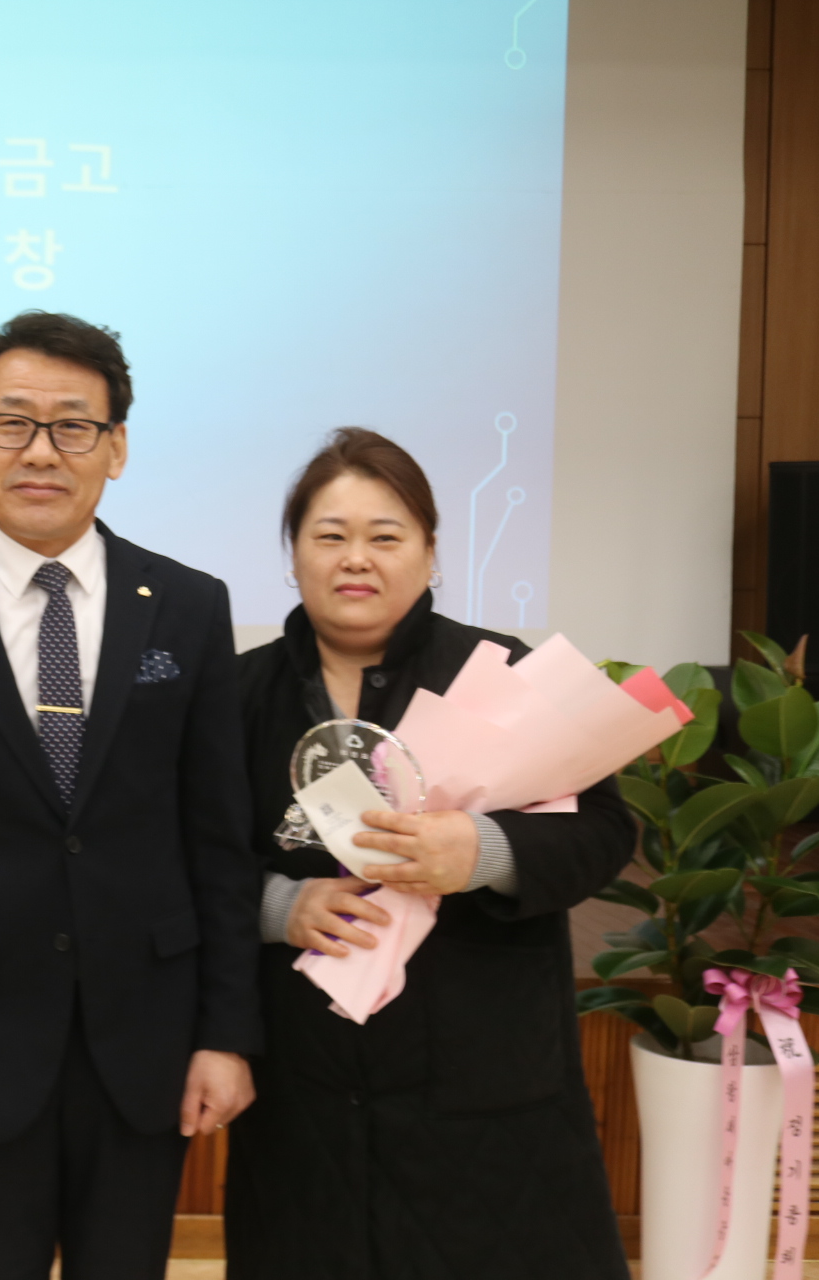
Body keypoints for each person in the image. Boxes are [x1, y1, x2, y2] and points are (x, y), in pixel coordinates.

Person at [0, 310, 262, 1280]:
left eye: (73, 425)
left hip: (148, 1041)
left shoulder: (188, 605)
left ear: (116, 447)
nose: (41, 451)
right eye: (12, 422)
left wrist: (225, 1033)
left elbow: (219, 841)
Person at [223, 427, 632, 1279]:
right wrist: (277, 907)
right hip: (305, 1085)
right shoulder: (235, 695)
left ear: (431, 551)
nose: (355, 559)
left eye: (385, 536)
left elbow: (604, 833)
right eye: (329, 536)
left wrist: (482, 851)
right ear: (293, 553)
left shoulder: (500, 673)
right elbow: (179, 861)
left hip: (486, 1086)